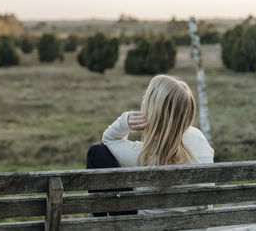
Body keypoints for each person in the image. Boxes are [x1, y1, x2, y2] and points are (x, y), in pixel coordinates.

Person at [86, 74, 214, 216]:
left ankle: (96, 224)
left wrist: (126, 121)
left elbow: (109, 140)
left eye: (146, 97)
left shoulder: (142, 156)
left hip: (145, 227)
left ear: (154, 108)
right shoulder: (199, 138)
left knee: (97, 151)